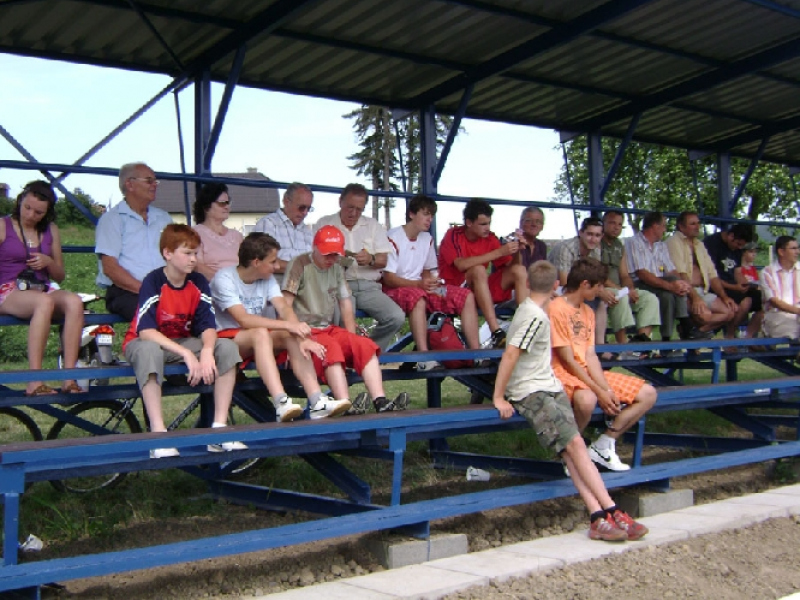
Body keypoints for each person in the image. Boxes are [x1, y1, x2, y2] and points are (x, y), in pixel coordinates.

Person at [492, 260, 648, 542]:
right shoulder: (534, 316)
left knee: (572, 448)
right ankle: (610, 510)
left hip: (548, 386)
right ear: (555, 286)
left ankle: (599, 516)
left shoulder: (537, 312)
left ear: (527, 284)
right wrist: (499, 396)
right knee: (575, 445)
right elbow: (511, 355)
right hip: (531, 390)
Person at [122, 224, 244, 459]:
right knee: (149, 351)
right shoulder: (154, 280)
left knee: (226, 347)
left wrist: (207, 350)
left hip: (179, 342)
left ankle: (219, 430)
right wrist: (188, 354)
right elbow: (145, 331)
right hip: (145, 341)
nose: (193, 259)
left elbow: (208, 326)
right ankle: (159, 436)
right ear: (168, 253)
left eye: (195, 253)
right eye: (187, 253)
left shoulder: (197, 282)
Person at [211, 232, 350, 421]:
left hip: (258, 339)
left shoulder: (267, 279)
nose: (277, 267)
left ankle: (317, 401)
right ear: (256, 262)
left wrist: (300, 336)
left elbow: (284, 307)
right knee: (262, 333)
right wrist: (287, 325)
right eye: (273, 261)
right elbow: (243, 319)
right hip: (227, 341)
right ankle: (281, 401)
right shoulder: (224, 278)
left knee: (288, 335)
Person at [282, 225, 409, 413]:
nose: (331, 259)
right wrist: (300, 336)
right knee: (330, 347)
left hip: (327, 327)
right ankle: (344, 403)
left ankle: (380, 401)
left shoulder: (336, 267)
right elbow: (285, 305)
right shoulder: (299, 264)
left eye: (335, 255)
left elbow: (346, 303)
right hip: (304, 330)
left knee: (364, 345)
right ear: (314, 247)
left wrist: (352, 339)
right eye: (327, 254)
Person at [549, 258, 657, 472]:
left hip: (585, 371)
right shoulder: (556, 308)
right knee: (587, 399)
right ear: (585, 284)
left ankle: (604, 444)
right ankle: (569, 452)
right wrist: (599, 391)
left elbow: (590, 356)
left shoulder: (588, 312)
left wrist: (605, 389)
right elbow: (567, 359)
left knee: (648, 393)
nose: (601, 290)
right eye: (599, 286)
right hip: (562, 371)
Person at [0, 180, 86, 396]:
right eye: (27, 208)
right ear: (20, 201)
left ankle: (69, 378)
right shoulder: (3, 225)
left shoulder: (51, 230)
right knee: (44, 302)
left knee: (74, 301)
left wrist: (48, 262)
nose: (30, 215)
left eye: (38, 213)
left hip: (41, 286)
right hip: (8, 288)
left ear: (46, 214)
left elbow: (60, 275)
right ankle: (34, 380)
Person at [382, 195, 481, 371]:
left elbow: (428, 270)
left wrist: (431, 282)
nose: (429, 219)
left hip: (420, 287)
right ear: (412, 214)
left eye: (432, 215)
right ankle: (423, 356)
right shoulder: (393, 237)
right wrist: (420, 284)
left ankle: (475, 353)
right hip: (394, 291)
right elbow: (388, 278)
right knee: (418, 297)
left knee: (465, 296)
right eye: (425, 214)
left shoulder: (426, 238)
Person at [314, 184, 405, 351]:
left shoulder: (372, 225)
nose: (354, 213)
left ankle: (367, 352)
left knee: (396, 317)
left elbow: (383, 260)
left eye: (359, 209)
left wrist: (371, 259)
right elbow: (313, 259)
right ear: (340, 202)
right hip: (336, 284)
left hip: (368, 287)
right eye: (350, 207)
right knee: (341, 315)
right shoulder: (324, 224)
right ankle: (344, 358)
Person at [438, 198, 529, 348]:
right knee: (479, 269)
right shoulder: (453, 234)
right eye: (482, 224)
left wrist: (517, 251)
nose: (487, 228)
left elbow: (511, 267)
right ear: (469, 223)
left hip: (479, 289)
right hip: (449, 289)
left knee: (519, 270)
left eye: (489, 223)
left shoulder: (490, 238)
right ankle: (496, 332)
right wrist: (499, 252)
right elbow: (461, 265)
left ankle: (524, 327)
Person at [96, 162, 173, 321]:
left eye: (155, 181)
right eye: (149, 181)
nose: (155, 185)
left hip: (165, 289)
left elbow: (176, 256)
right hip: (126, 291)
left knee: (196, 310)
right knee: (160, 315)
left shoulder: (163, 218)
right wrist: (148, 291)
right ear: (130, 184)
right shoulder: (112, 219)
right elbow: (110, 268)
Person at [666, 211, 736, 339]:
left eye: (698, 223)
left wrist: (724, 296)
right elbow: (681, 274)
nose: (697, 226)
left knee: (730, 311)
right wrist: (695, 298)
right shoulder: (673, 242)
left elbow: (712, 274)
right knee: (705, 316)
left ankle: (696, 332)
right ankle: (691, 330)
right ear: (681, 227)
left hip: (703, 291)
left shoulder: (699, 244)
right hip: (685, 292)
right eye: (692, 224)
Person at [625, 211, 692, 345]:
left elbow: (671, 270)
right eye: (663, 226)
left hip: (660, 284)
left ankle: (667, 338)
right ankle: (685, 325)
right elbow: (642, 273)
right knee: (671, 287)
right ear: (655, 226)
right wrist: (671, 286)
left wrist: (681, 284)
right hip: (640, 283)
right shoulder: (633, 242)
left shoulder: (660, 245)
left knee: (669, 292)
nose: (664, 230)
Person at [600, 211, 660, 354]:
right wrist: (624, 292)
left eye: (620, 224)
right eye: (612, 223)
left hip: (621, 288)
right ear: (604, 224)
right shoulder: (597, 242)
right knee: (620, 297)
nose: (616, 227)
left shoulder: (619, 245)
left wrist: (630, 289)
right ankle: (623, 346)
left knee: (649, 299)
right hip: (603, 288)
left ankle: (641, 342)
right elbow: (599, 276)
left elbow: (624, 274)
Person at [548, 217, 610, 348]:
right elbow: (566, 283)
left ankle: (600, 345)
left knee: (604, 300)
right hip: (555, 288)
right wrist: (598, 291)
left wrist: (601, 291)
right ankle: (578, 341)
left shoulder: (596, 249)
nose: (593, 239)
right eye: (589, 234)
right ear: (581, 233)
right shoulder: (565, 248)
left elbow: (596, 277)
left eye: (597, 235)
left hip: (578, 287)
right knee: (585, 298)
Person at [704, 224, 764, 340]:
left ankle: (749, 336)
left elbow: (737, 271)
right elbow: (710, 276)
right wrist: (734, 287)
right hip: (716, 286)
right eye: (738, 244)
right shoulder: (712, 244)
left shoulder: (737, 250)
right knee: (745, 302)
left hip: (733, 286)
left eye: (741, 246)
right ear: (731, 236)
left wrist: (745, 284)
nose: (738, 248)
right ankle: (730, 334)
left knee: (763, 300)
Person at [253, 182, 315, 274]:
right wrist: (300, 268)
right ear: (286, 201)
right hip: (277, 283)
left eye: (309, 208)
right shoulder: (268, 224)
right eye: (301, 207)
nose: (305, 213)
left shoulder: (308, 232)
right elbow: (264, 261)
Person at [193, 182, 243, 281]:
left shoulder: (237, 236)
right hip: (212, 289)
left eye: (228, 203)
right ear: (207, 207)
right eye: (222, 203)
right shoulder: (195, 233)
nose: (227, 207)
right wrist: (227, 282)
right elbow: (197, 267)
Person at [759, 235, 800, 339]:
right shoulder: (767, 272)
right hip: (778, 315)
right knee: (791, 329)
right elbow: (775, 302)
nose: (798, 252)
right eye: (793, 248)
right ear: (781, 252)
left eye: (798, 248)